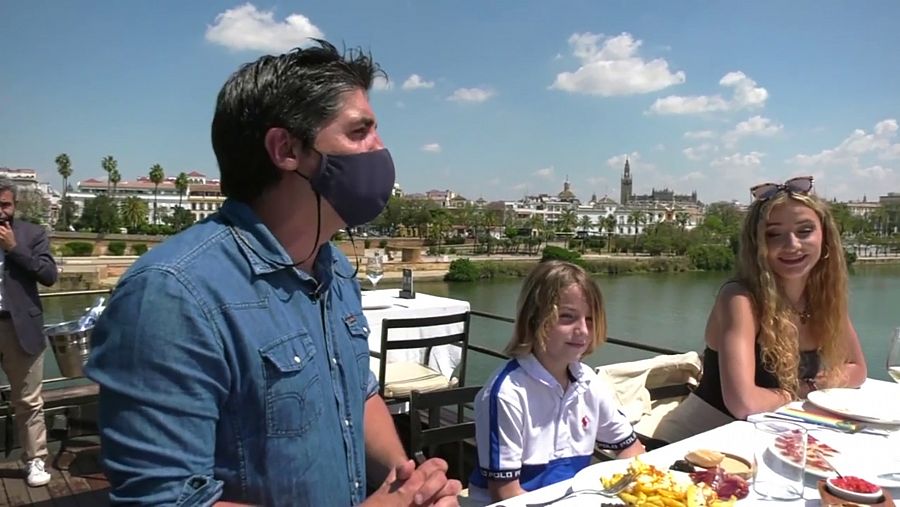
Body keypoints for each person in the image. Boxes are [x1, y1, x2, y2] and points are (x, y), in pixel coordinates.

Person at [85, 41, 461, 506]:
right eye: (360, 131)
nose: (380, 150)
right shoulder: (170, 296)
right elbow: (163, 500)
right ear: (286, 149)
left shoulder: (335, 269)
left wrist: (410, 485)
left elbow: (357, 396)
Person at [655, 176, 868, 443]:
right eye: (773, 234)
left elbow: (857, 370)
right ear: (756, 242)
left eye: (804, 231)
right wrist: (802, 390)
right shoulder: (740, 299)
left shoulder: (825, 299)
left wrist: (808, 387)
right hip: (696, 443)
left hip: (769, 438)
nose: (792, 244)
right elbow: (744, 403)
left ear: (824, 236)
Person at [468, 260, 644, 503]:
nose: (582, 330)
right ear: (534, 319)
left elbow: (632, 450)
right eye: (567, 317)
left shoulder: (588, 383)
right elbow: (506, 494)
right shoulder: (507, 394)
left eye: (590, 319)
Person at [0, 178, 58, 487]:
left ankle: (35, 460)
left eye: (5, 205)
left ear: (14, 206)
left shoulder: (32, 234)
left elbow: (49, 275)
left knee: (28, 401)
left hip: (20, 327)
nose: (0, 212)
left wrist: (14, 249)